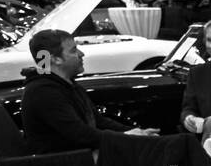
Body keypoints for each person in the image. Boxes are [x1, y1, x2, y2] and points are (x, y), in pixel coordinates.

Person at [20, 29, 156, 154]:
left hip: (82, 156)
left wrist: (135, 132)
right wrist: (128, 137)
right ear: (55, 59)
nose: (81, 54)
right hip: (65, 165)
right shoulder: (43, 92)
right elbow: (79, 134)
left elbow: (99, 122)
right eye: (73, 50)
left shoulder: (66, 84)